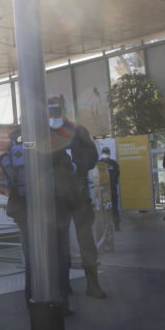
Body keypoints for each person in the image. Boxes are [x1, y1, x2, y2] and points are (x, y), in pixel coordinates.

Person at [47, 96, 107, 301]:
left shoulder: (78, 130)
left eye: (56, 111)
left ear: (63, 110)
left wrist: (76, 164)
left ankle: (93, 282)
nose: (54, 116)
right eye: (51, 112)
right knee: (59, 243)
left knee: (86, 241)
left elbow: (91, 156)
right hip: (55, 196)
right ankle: (63, 285)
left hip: (79, 194)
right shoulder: (40, 133)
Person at [99, 146, 121, 231]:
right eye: (104, 153)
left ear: (109, 154)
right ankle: (104, 226)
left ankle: (116, 225)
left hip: (112, 189)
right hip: (102, 190)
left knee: (114, 208)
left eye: (106, 153)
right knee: (103, 209)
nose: (105, 154)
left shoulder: (114, 163)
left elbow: (117, 174)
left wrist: (112, 182)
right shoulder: (98, 163)